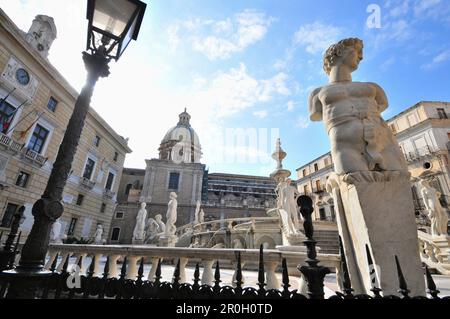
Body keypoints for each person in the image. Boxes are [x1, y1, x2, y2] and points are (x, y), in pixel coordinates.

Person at [309, 38, 406, 174]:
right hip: (346, 148)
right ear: (339, 52)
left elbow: (383, 104)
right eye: (357, 52)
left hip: (384, 144)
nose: (361, 57)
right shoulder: (317, 94)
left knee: (399, 182)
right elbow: (315, 114)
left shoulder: (372, 87)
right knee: (354, 180)